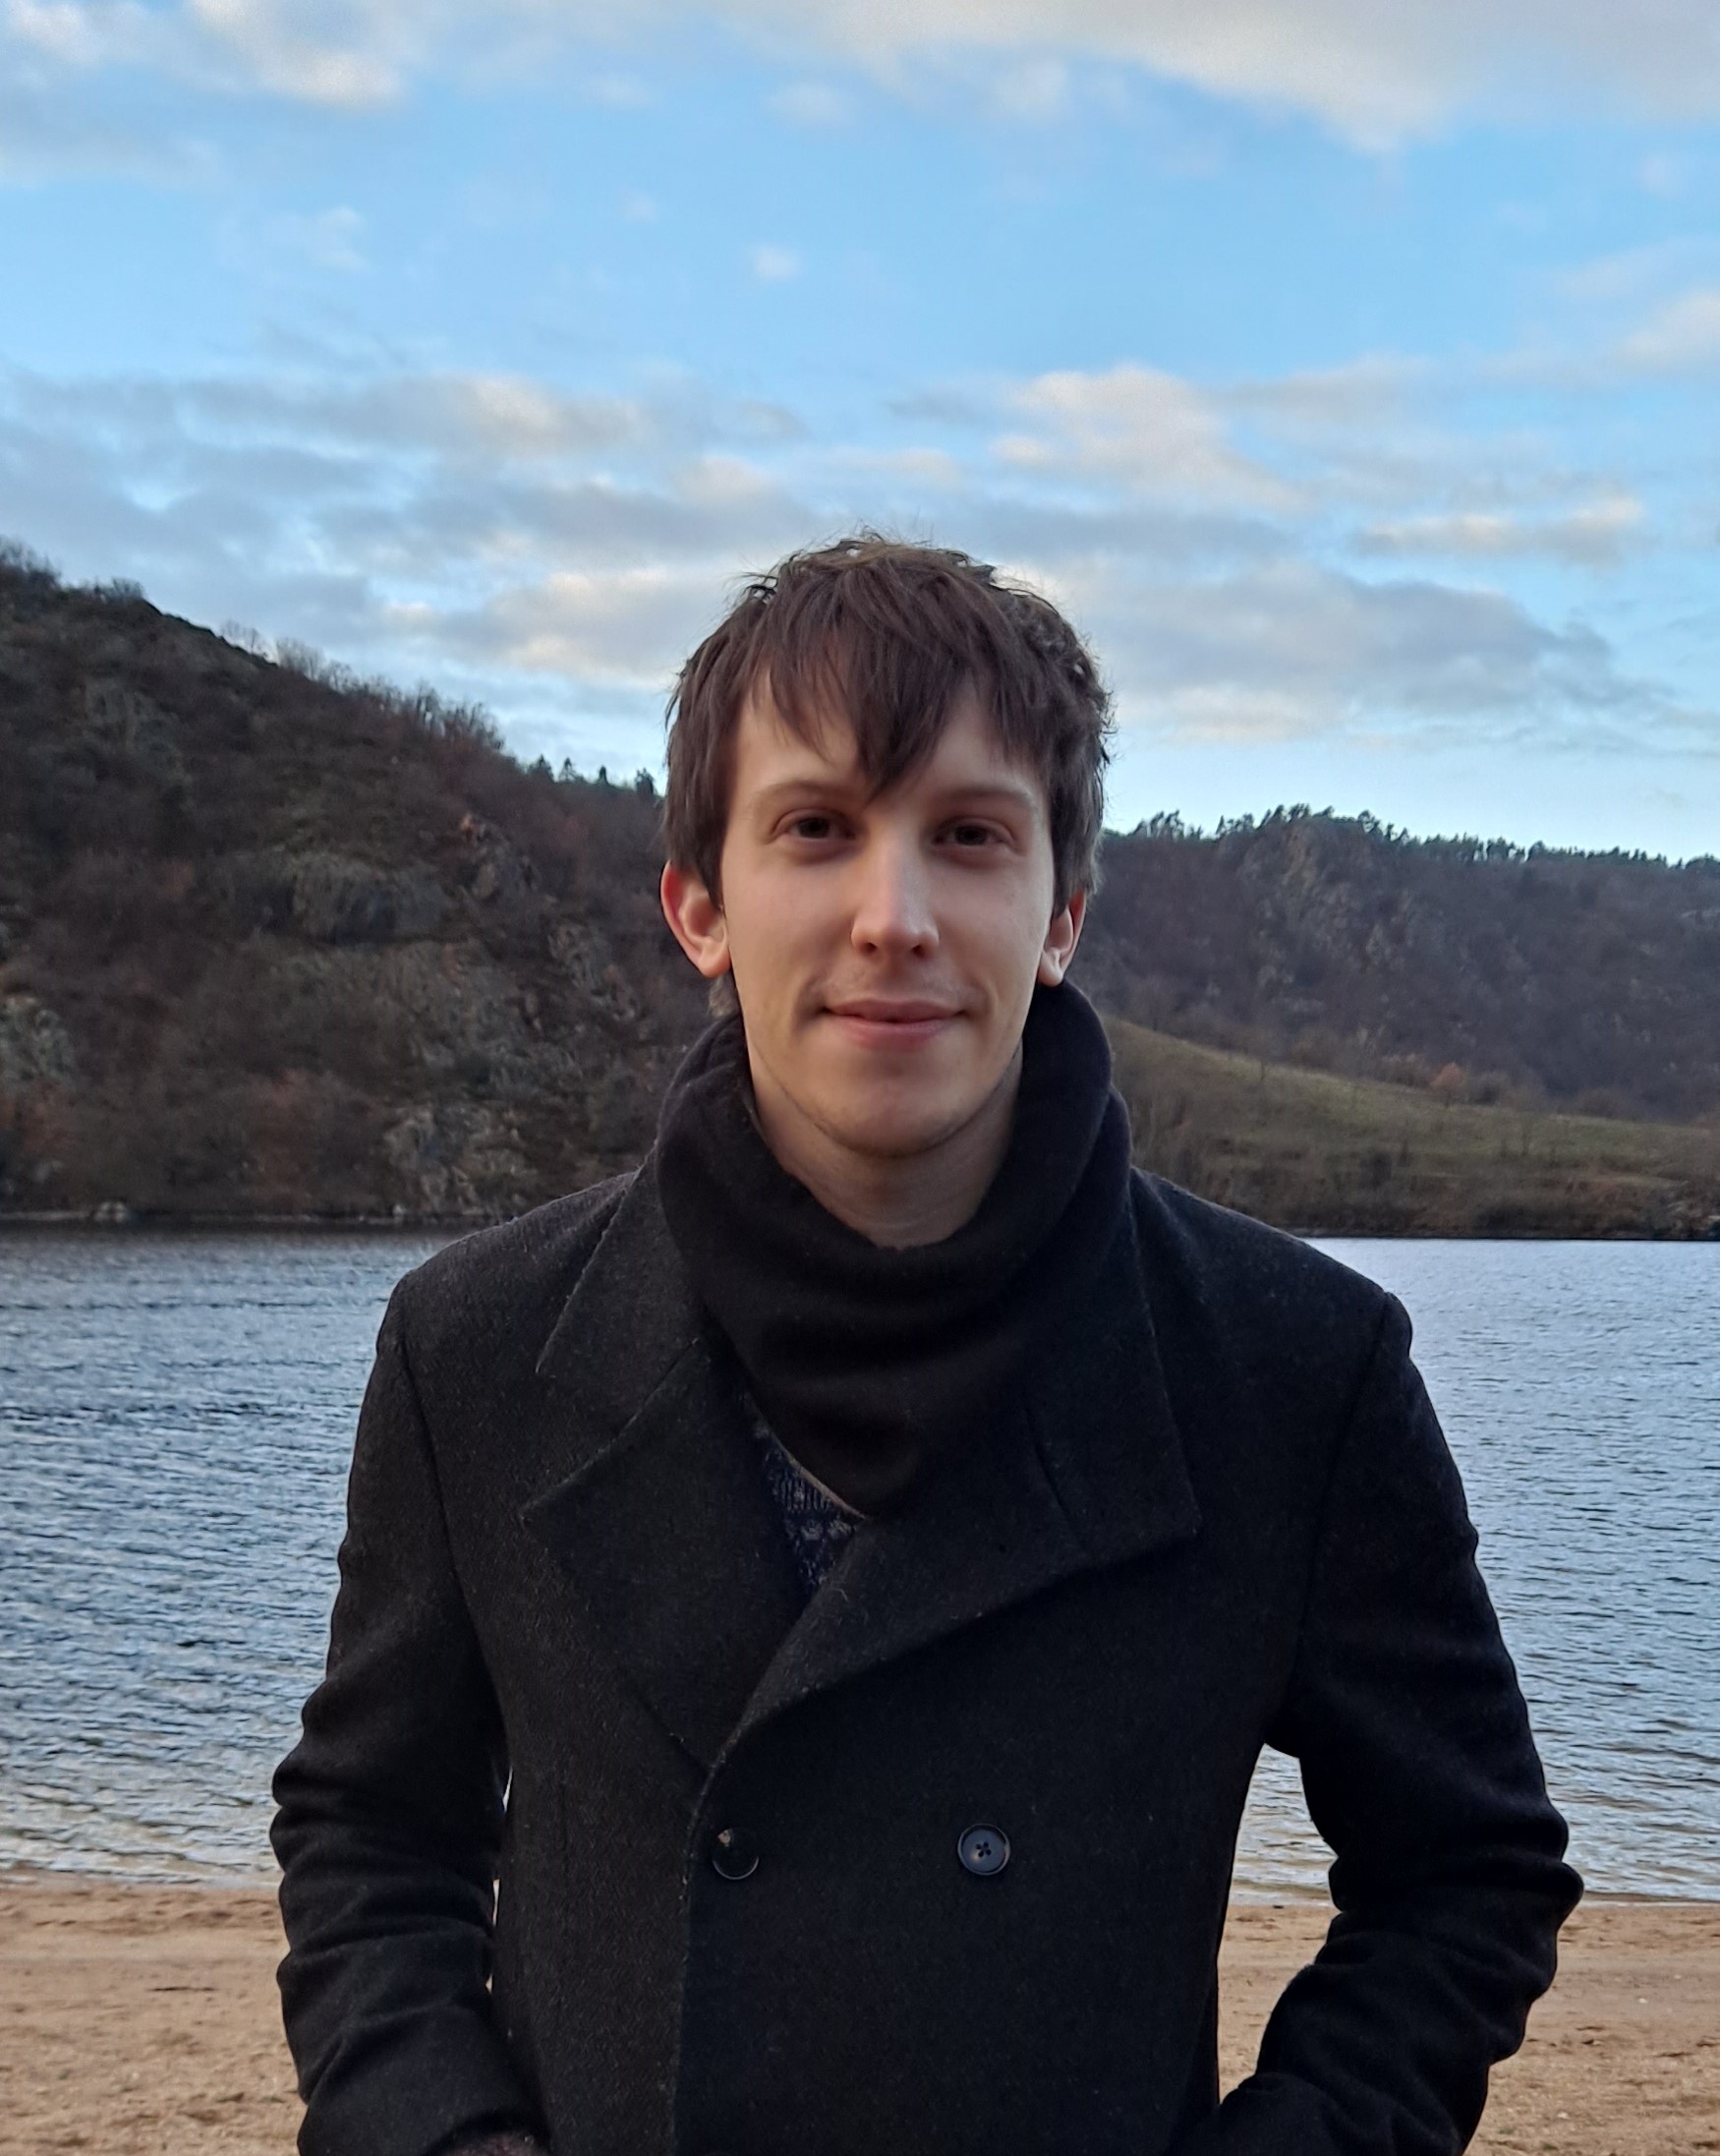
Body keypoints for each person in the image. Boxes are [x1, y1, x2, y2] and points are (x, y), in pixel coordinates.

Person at [272, 536, 1580, 2156]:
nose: (892, 916)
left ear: (1061, 913)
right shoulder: (473, 1349)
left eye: (967, 836)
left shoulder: (1293, 1370)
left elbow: (1464, 1869)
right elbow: (370, 1834)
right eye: (816, 828)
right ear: (700, 904)